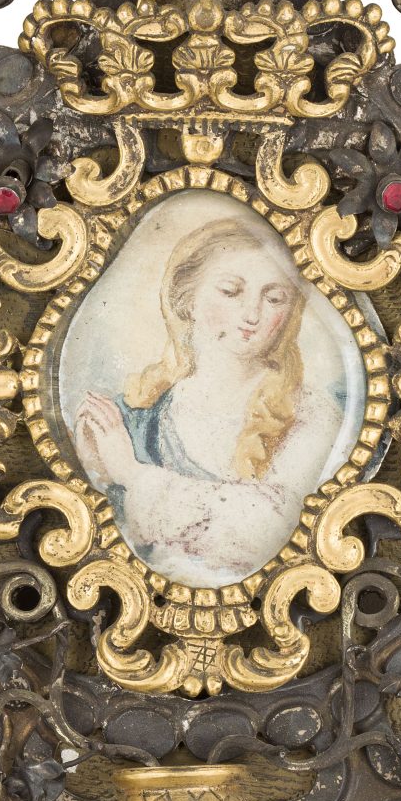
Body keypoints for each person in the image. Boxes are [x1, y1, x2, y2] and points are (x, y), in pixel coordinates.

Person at [71, 215, 345, 585]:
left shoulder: (311, 416)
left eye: (274, 298)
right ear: (187, 299)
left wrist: (132, 474)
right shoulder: (134, 415)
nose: (251, 315)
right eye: (231, 292)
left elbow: (269, 534)